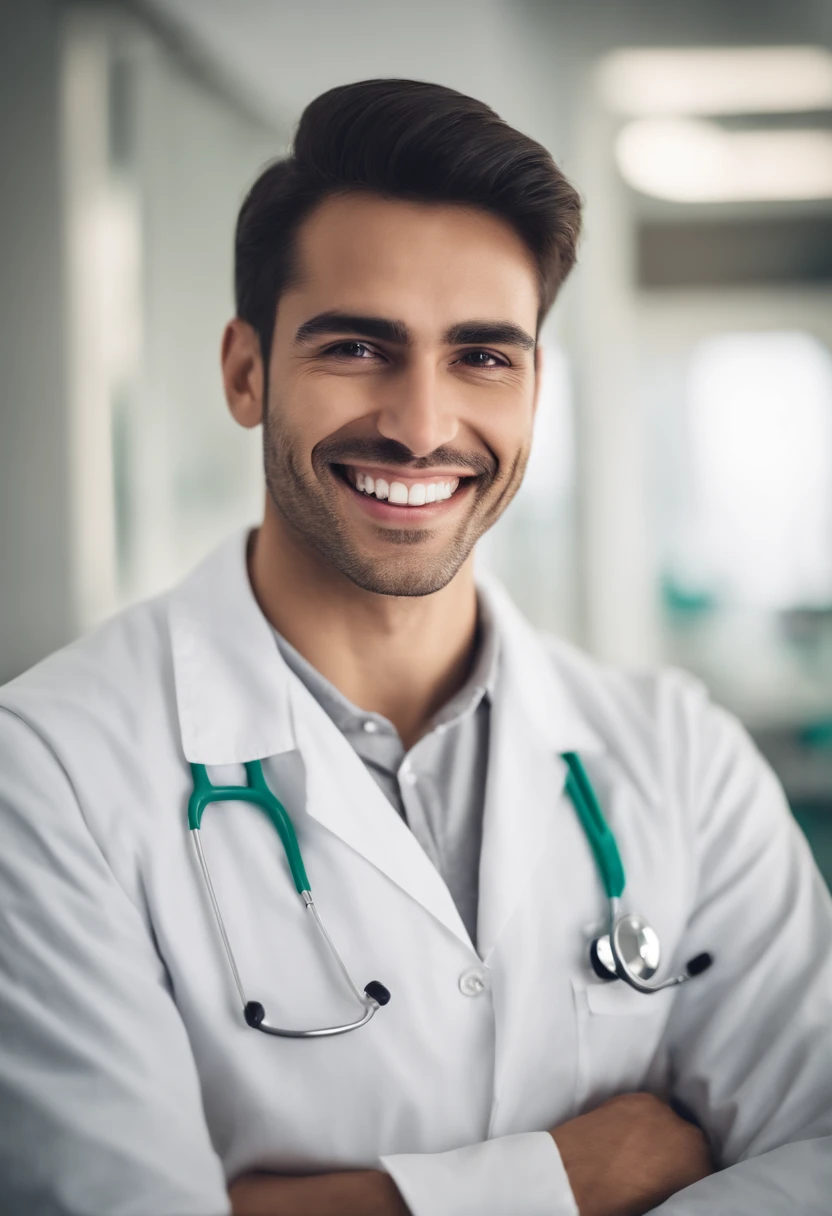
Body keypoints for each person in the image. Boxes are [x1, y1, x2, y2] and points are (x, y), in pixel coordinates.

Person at [0, 78, 830, 1216]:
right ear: (247, 372)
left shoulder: (679, 756)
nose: (423, 423)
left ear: (537, 384)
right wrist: (566, 1179)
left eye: (483, 355)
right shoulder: (44, 770)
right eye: (357, 345)